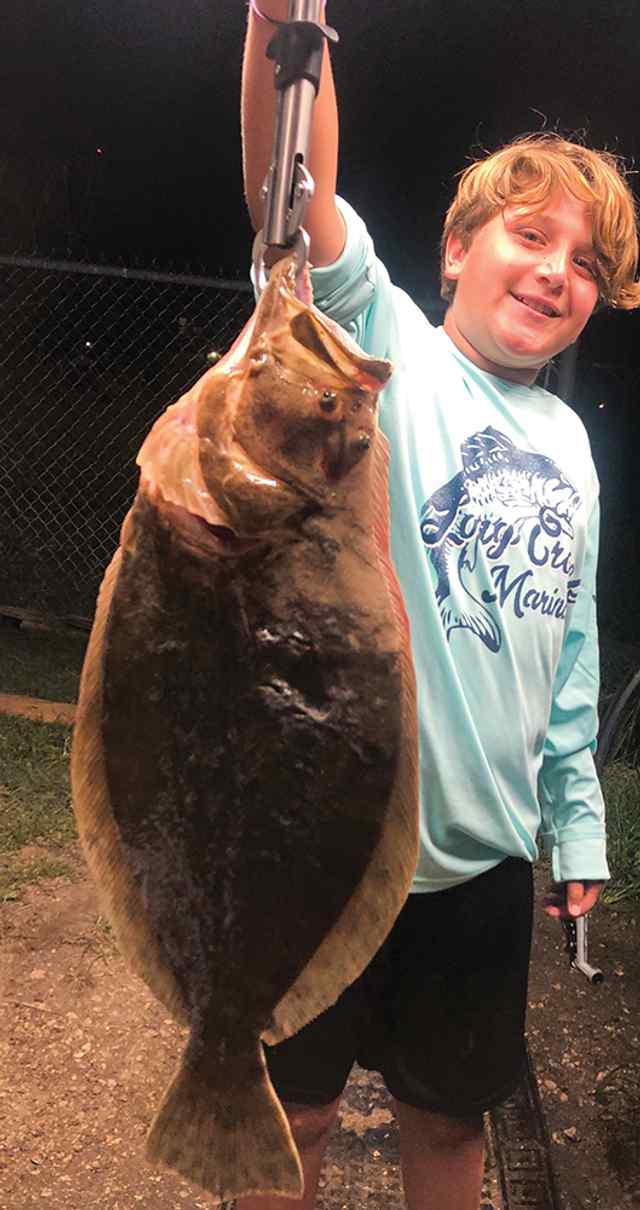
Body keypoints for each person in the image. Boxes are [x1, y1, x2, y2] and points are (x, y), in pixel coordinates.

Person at [240, 5, 640, 1209]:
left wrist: (574, 824)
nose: (557, 272)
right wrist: (276, 32)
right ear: (458, 249)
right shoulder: (385, 347)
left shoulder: (572, 445)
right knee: (291, 1115)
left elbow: (566, 655)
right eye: (531, 236)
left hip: (476, 865)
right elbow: (291, 179)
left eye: (588, 265)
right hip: (327, 843)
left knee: (450, 1126)